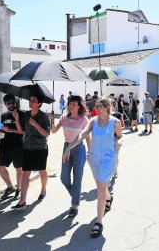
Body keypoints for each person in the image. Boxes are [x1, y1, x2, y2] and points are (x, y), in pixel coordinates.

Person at [62, 98, 123, 238]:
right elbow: (83, 134)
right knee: (101, 185)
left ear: (107, 107)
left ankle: (98, 223)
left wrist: (119, 142)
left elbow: (120, 137)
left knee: (101, 188)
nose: (96, 108)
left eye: (99, 106)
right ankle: (109, 198)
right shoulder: (93, 121)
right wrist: (69, 148)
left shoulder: (115, 122)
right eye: (96, 106)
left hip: (108, 158)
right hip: (94, 158)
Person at [50, 95, 90, 217]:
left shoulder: (84, 119)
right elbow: (54, 131)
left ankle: (74, 205)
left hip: (79, 149)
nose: (71, 105)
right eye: (70, 103)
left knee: (77, 178)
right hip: (66, 148)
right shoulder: (64, 117)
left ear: (79, 106)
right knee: (64, 178)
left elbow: (87, 136)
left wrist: (90, 152)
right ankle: (76, 195)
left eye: (73, 103)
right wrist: (52, 120)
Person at [11, 94, 51, 211]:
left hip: (40, 148)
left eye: (34, 100)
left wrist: (35, 124)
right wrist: (17, 119)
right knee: (25, 173)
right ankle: (22, 201)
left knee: (42, 171)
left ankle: (43, 189)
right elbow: (21, 130)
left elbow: (46, 134)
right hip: (27, 147)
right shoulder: (26, 114)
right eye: (30, 100)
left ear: (39, 104)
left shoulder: (44, 117)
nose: (31, 102)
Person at [0, 94, 24, 200]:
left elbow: (23, 132)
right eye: (8, 103)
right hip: (6, 145)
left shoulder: (22, 114)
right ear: (5, 104)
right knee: (0, 167)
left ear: (15, 102)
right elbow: (3, 129)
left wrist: (11, 129)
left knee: (19, 169)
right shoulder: (4, 115)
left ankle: (19, 189)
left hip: (19, 145)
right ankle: (10, 187)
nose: (11, 105)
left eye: (13, 102)